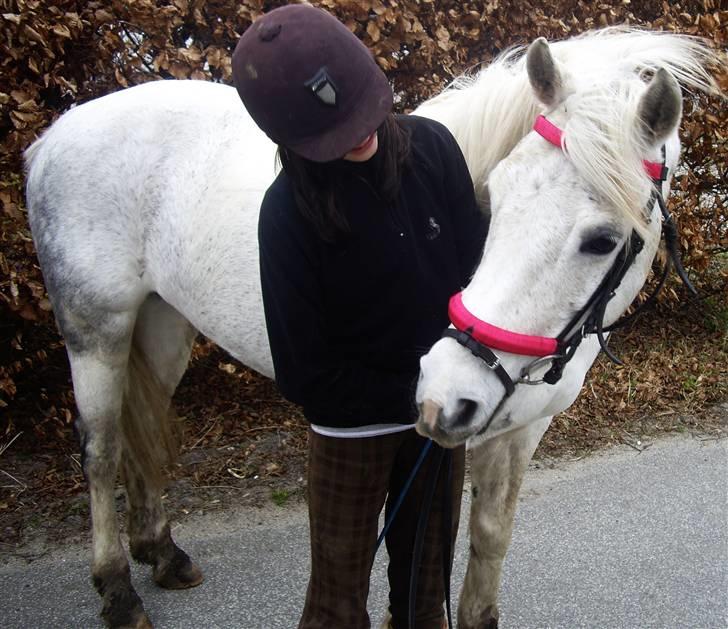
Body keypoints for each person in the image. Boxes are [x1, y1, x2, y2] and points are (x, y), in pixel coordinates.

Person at [232, 5, 488, 628]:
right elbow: (304, 372)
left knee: (425, 598)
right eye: (335, 134)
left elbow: (478, 276)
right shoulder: (286, 215)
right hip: (351, 433)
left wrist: (459, 384)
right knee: (336, 604)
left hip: (437, 422)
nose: (358, 136)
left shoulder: (433, 149)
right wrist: (411, 395)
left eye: (361, 114)